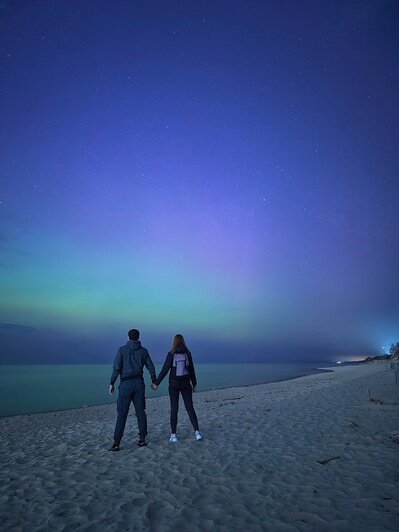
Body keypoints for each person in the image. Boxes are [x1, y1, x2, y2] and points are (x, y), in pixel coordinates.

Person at [108, 329, 157, 451]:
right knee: (140, 412)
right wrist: (154, 380)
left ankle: (116, 443)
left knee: (122, 414)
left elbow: (116, 367)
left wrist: (112, 382)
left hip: (125, 384)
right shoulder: (143, 351)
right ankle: (142, 440)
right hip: (139, 383)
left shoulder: (122, 350)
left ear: (128, 337)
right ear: (138, 337)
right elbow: (150, 366)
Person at [152, 334, 202, 442]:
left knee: (174, 409)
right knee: (190, 407)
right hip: (186, 383)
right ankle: (197, 432)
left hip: (174, 384)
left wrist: (156, 383)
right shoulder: (188, 354)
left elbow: (165, 369)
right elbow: (192, 369)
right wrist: (194, 384)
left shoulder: (171, 354)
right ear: (183, 341)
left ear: (174, 342)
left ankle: (173, 435)